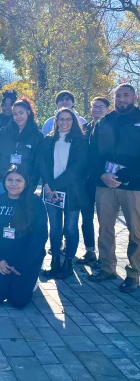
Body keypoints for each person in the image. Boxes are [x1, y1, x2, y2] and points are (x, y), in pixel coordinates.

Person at [88, 84, 140, 293]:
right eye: (118, 95)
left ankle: (133, 273)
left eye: (126, 95)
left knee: (136, 231)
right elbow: (92, 153)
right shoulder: (104, 122)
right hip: (105, 183)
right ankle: (107, 267)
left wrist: (122, 176)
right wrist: (102, 174)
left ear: (135, 96)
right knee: (105, 228)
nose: (121, 99)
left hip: (134, 185)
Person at [0, 165, 48, 309]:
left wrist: (23, 263)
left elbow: (40, 236)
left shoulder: (35, 202)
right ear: (4, 182)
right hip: (3, 259)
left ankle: (32, 280)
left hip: (26, 259)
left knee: (18, 302)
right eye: (10, 180)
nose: (13, 184)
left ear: (25, 183)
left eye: (18, 180)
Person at [37, 108, 88, 279]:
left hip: (72, 192)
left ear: (74, 122)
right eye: (61, 119)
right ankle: (55, 262)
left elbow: (78, 168)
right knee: (55, 228)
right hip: (52, 192)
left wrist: (54, 184)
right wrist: (47, 183)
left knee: (71, 228)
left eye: (68, 119)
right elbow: (41, 163)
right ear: (56, 121)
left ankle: (68, 263)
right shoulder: (48, 140)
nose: (64, 122)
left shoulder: (81, 141)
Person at [77, 97, 110, 266]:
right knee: (87, 217)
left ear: (107, 109)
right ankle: (90, 251)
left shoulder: (111, 126)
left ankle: (106, 257)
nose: (97, 109)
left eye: (101, 106)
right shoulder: (84, 129)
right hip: (86, 180)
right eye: (94, 106)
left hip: (105, 180)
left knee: (105, 221)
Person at [0, 98, 43, 196]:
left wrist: (32, 185)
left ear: (28, 112)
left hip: (24, 186)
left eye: (21, 113)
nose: (18, 117)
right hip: (2, 183)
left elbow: (37, 163)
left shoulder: (37, 136)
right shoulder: (3, 133)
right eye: (15, 114)